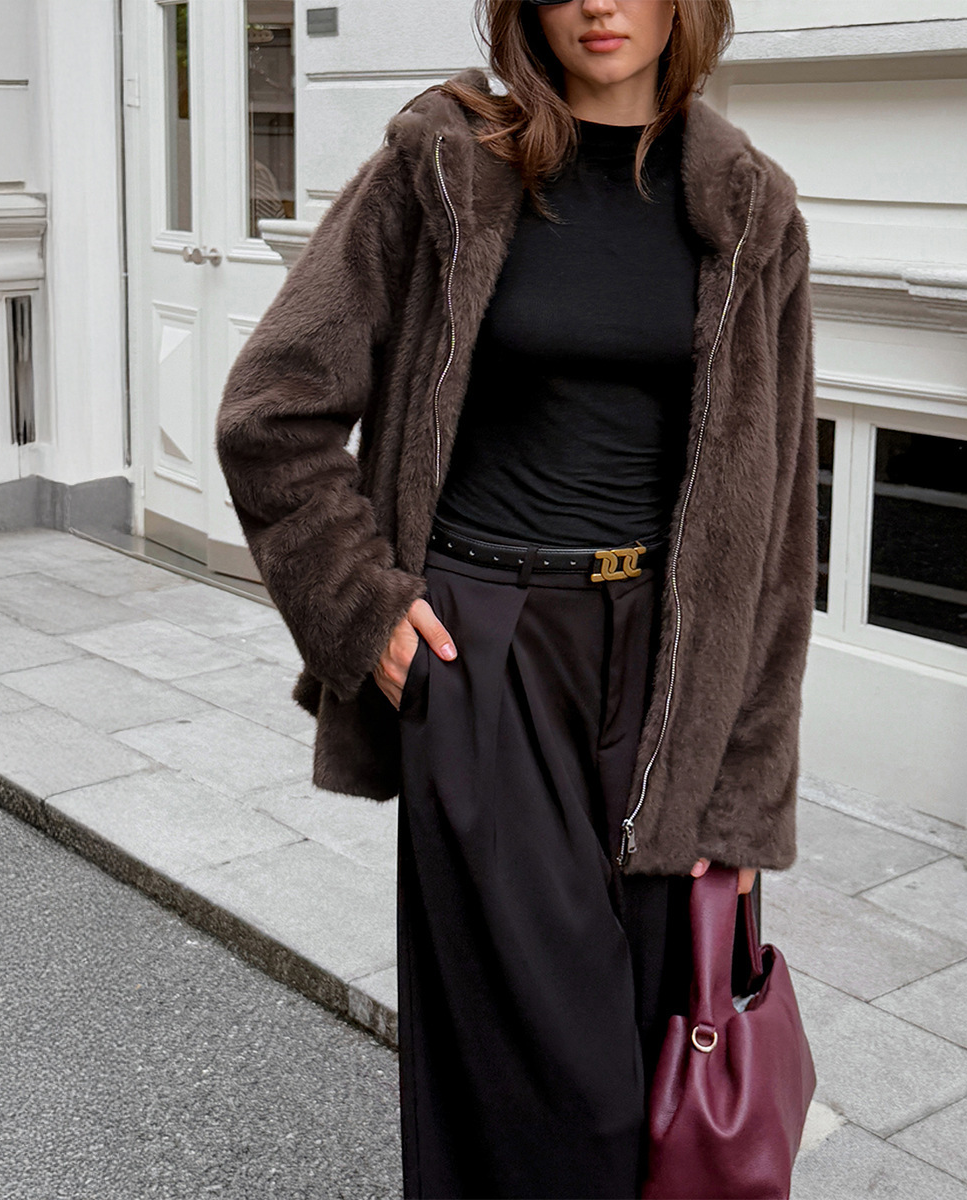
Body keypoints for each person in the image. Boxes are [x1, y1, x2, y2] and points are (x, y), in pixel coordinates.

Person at [216, 1, 817, 1196]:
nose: (600, 3)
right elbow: (270, 412)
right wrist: (364, 611)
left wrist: (747, 798)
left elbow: (781, 527)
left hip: (669, 681)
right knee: (554, 1091)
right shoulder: (444, 167)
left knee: (647, 1058)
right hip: (488, 654)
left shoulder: (751, 209)